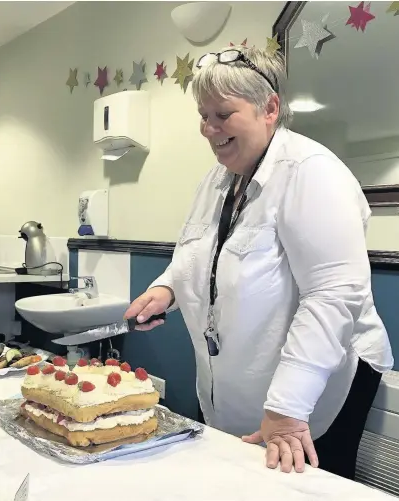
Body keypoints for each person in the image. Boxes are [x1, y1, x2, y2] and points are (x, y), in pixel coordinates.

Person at [124, 46, 394, 479]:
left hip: (320, 383)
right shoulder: (216, 180)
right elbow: (196, 255)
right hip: (239, 377)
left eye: (223, 115)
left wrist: (287, 410)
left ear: (269, 108)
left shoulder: (311, 172)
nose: (209, 129)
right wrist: (166, 290)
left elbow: (333, 297)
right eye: (203, 114)